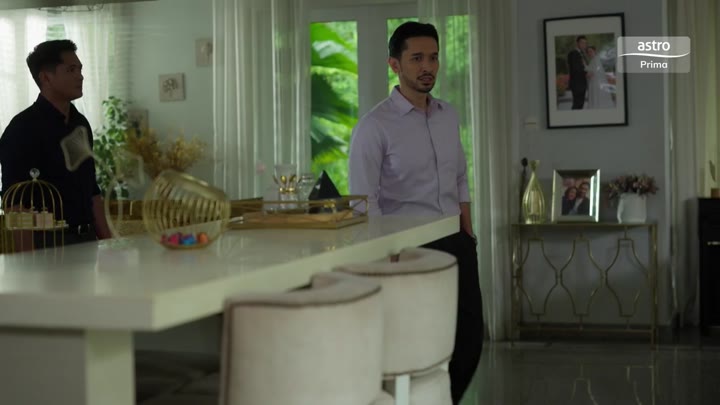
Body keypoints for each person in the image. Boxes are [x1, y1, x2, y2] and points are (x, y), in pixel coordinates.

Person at [348, 22, 483, 404]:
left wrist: (468, 232)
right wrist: (386, 256)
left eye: (434, 58)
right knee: (420, 345)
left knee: (470, 339)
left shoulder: (448, 115)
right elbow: (364, 201)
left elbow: (460, 177)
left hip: (456, 241)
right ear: (395, 64)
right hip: (408, 249)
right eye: (417, 58)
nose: (428, 67)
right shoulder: (374, 127)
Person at [0, 39, 111, 249]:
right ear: (46, 77)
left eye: (80, 69)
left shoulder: (80, 123)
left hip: (87, 241)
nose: (80, 76)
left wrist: (109, 243)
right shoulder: (22, 128)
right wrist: (27, 261)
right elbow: (15, 203)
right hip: (48, 244)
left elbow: (92, 190)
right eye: (71, 69)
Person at [567, 35, 589, 110]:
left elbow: (584, 66)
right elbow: (576, 68)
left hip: (581, 84)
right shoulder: (573, 53)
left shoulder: (582, 54)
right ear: (577, 43)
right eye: (582, 43)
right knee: (577, 105)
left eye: (585, 43)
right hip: (577, 84)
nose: (584, 45)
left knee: (580, 104)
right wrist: (586, 73)